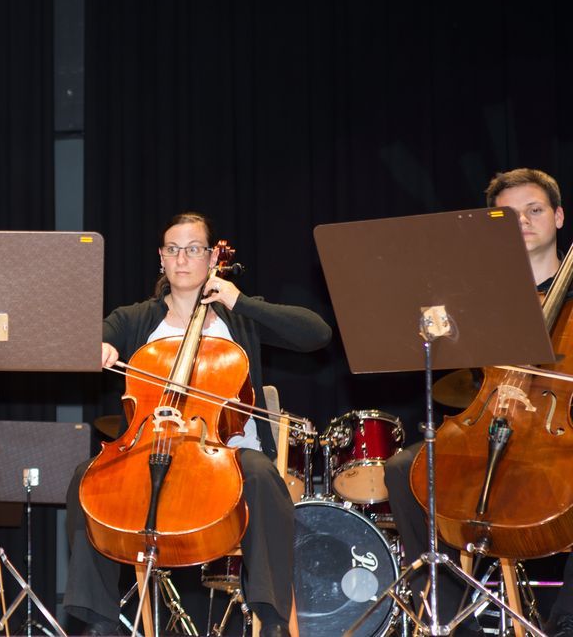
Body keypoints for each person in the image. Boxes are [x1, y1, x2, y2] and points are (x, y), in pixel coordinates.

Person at [63, 212, 331, 637]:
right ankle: (99, 623)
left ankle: (273, 621)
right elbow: (77, 342)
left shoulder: (238, 319)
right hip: (148, 452)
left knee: (262, 475)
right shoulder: (136, 318)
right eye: (173, 249)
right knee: (87, 478)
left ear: (211, 258)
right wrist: (97, 347)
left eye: (193, 249)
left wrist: (240, 301)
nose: (182, 259)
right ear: (161, 258)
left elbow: (316, 334)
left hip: (227, 457)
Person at [385, 167, 573, 637]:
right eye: (509, 215)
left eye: (534, 210)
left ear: (558, 216)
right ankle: (448, 616)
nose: (523, 222)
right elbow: (459, 377)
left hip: (554, 437)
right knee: (406, 469)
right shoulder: (478, 298)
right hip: (490, 423)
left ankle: (567, 619)